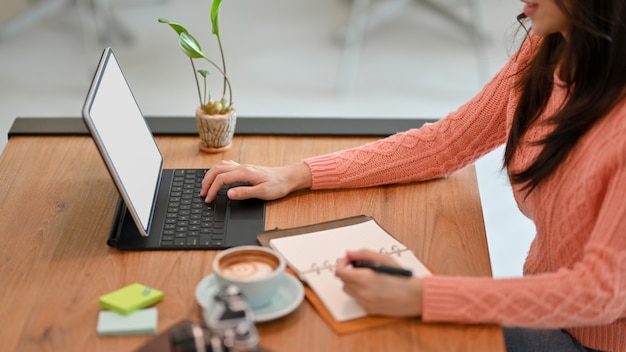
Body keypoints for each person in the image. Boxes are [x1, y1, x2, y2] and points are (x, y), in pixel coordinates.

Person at [200, 0, 626, 350]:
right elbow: (447, 143)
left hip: (593, 339)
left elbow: (600, 293)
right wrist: (298, 174)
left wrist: (422, 295)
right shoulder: (549, 45)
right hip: (545, 303)